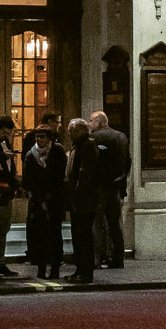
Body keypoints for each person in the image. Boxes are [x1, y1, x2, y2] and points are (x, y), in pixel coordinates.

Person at [22, 110, 67, 279]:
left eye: (42, 137)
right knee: (39, 235)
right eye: (37, 137)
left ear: (49, 138)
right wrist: (39, 197)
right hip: (37, 200)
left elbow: (61, 175)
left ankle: (55, 268)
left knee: (55, 234)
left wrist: (52, 194)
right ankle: (41, 268)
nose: (39, 140)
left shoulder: (57, 152)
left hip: (55, 198)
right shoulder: (31, 155)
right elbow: (28, 179)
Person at [89, 109, 131, 269]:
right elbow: (127, 161)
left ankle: (97, 258)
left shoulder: (95, 137)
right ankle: (117, 258)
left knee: (97, 222)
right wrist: (121, 181)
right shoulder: (121, 137)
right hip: (116, 186)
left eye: (91, 121)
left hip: (99, 186)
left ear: (99, 122)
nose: (89, 124)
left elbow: (93, 162)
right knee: (115, 224)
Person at [64, 118, 102, 284]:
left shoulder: (87, 146)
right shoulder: (77, 145)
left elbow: (85, 172)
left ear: (80, 131)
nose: (69, 133)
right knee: (78, 236)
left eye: (71, 130)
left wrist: (78, 191)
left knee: (84, 236)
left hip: (84, 199)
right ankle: (79, 270)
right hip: (77, 199)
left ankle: (85, 272)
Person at [0, 113, 21, 278]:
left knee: (3, 228)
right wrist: (2, 158)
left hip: (7, 191)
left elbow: (9, 165)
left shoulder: (5, 142)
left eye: (9, 133)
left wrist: (14, 182)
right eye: (4, 132)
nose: (6, 136)